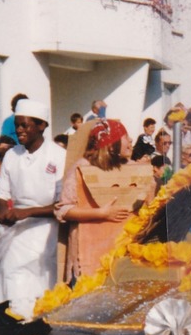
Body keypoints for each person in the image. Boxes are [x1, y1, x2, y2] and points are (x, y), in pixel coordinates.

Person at [0, 99, 66, 319]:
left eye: (25, 125)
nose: (19, 130)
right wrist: (3, 212)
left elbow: (62, 204)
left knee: (43, 286)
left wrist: (27, 212)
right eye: (17, 125)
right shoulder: (12, 155)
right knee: (13, 274)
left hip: (49, 230)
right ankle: (21, 324)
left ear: (41, 125)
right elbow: (1, 192)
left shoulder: (58, 156)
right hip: (17, 231)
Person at [55, 117, 136, 284]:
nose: (131, 140)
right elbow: (64, 210)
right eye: (125, 136)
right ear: (111, 142)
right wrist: (102, 213)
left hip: (123, 254)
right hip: (90, 253)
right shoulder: (81, 167)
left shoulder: (133, 167)